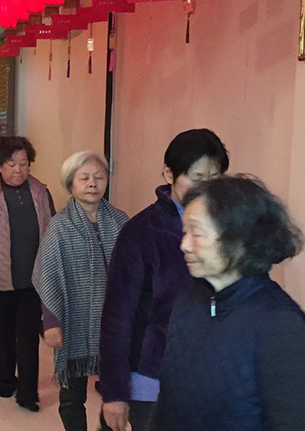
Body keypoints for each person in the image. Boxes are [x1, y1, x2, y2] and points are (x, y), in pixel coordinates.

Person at [154, 175, 305, 430]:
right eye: (185, 232)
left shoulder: (281, 325)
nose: (184, 245)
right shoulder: (187, 305)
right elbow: (166, 406)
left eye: (197, 233)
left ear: (239, 238)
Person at [98, 129, 229, 431]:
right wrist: (114, 392)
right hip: (151, 379)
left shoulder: (229, 229)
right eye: (197, 177)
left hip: (211, 377)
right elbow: (117, 316)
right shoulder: (141, 232)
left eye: (214, 178)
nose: (206, 188)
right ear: (169, 174)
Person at [34, 151, 129, 431]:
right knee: (72, 396)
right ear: (71, 183)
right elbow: (47, 274)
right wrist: (51, 323)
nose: (92, 183)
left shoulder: (121, 221)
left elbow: (134, 269)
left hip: (115, 320)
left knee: (116, 391)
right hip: (73, 320)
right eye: (84, 177)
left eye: (99, 177)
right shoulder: (59, 226)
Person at [0, 136, 56, 412]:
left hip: (33, 281)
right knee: (3, 335)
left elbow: (54, 232)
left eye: (23, 163)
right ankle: (5, 381)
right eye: (11, 164)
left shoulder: (41, 193)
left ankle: (28, 393)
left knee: (28, 337)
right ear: (0, 167)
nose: (18, 169)